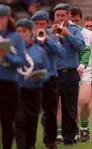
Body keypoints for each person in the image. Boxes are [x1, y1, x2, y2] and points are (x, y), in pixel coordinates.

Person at [31, 9, 65, 149]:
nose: (39, 26)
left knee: (50, 113)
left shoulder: (54, 36)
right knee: (31, 114)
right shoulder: (28, 37)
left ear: (47, 23)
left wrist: (47, 40)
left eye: (42, 23)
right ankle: (30, 143)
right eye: (37, 24)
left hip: (49, 79)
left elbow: (61, 53)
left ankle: (50, 141)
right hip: (32, 79)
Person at [52, 3, 85, 145]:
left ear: (68, 16)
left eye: (62, 15)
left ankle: (70, 138)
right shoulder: (49, 31)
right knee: (51, 107)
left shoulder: (75, 30)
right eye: (57, 15)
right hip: (54, 74)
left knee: (69, 108)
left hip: (70, 73)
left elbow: (81, 47)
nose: (60, 18)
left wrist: (67, 34)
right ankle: (51, 137)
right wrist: (51, 36)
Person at [70, 7, 92, 142]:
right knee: (68, 104)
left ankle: (84, 127)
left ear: (80, 19)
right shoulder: (61, 31)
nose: (73, 22)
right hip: (67, 70)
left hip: (87, 71)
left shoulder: (87, 34)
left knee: (84, 102)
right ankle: (71, 131)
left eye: (76, 20)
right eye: (71, 19)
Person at [14, 18, 49, 149]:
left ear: (30, 32)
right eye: (18, 31)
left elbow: (47, 72)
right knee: (19, 121)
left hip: (34, 92)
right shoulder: (11, 50)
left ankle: (30, 145)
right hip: (17, 92)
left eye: (23, 31)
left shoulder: (39, 51)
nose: (21, 34)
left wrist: (39, 76)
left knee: (31, 122)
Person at [0, 4, 26, 149]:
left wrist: (6, 55)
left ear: (8, 18)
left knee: (7, 122)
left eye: (2, 18)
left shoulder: (15, 37)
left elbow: (21, 61)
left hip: (9, 84)